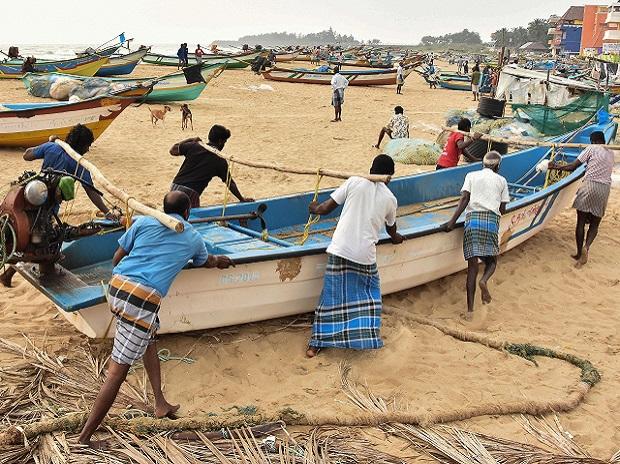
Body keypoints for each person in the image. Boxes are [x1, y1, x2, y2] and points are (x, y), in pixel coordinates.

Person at [78, 191, 234, 448]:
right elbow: (206, 261)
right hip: (141, 301)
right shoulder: (192, 236)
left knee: (148, 338)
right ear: (187, 213)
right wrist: (222, 262)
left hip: (117, 287)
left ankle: (160, 403)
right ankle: (85, 438)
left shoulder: (143, 221)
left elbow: (117, 258)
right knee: (118, 372)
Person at [306, 155, 404, 357]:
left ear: (370, 168)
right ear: (390, 176)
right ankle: (364, 337)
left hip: (340, 248)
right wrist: (397, 238)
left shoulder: (354, 181)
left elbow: (324, 209)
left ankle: (316, 344)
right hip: (364, 255)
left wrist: (313, 207)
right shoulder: (390, 199)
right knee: (369, 297)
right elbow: (391, 229)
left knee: (331, 296)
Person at [445, 151, 509, 319]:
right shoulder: (502, 180)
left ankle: (470, 311)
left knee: (472, 268)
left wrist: (452, 222)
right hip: (490, 221)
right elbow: (502, 210)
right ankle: (484, 280)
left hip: (472, 221)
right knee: (492, 261)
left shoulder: (471, 175)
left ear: (483, 163)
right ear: (497, 166)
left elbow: (464, 199)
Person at [548, 131, 614, 267]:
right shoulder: (611, 153)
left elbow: (573, 166)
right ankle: (587, 247)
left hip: (590, 185)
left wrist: (555, 166)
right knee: (595, 224)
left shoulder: (591, 148)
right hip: (604, 189)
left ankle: (579, 253)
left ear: (593, 141)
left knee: (581, 221)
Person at [169, 125, 253, 208]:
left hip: (175, 186)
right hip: (190, 192)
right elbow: (230, 183)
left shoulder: (194, 146)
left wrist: (191, 139)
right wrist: (242, 199)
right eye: (224, 142)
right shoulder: (220, 160)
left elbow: (173, 150)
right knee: (191, 217)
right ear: (220, 141)